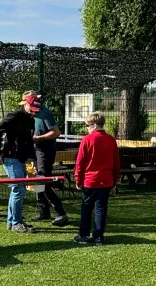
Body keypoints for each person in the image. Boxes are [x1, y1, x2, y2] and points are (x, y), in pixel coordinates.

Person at [0, 94, 39, 234]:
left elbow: (29, 140)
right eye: (32, 108)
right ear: (25, 104)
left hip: (21, 158)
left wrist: (32, 158)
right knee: (19, 189)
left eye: (36, 110)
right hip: (11, 157)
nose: (34, 111)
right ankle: (16, 222)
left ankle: (12, 222)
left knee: (17, 189)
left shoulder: (30, 119)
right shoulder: (14, 117)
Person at [72, 111, 120, 246]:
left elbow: (80, 162)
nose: (87, 128)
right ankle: (99, 237)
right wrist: (115, 179)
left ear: (93, 125)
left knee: (86, 208)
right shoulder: (111, 140)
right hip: (106, 180)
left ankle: (84, 235)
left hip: (90, 180)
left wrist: (78, 180)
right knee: (101, 209)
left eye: (87, 125)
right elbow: (116, 162)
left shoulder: (87, 140)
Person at [24, 91, 69, 226]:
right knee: (34, 178)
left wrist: (39, 138)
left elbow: (56, 132)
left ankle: (60, 212)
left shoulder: (45, 113)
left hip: (45, 150)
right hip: (34, 150)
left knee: (42, 179)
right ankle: (44, 211)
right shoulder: (28, 114)